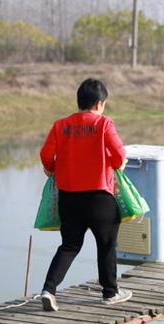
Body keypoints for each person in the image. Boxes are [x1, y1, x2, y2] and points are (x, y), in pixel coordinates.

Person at [39, 78, 132, 311]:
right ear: (100, 103)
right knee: (106, 243)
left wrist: (52, 169)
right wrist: (112, 163)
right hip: (99, 197)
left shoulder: (60, 125)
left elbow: (45, 155)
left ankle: (48, 290)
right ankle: (110, 292)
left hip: (69, 197)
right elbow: (120, 157)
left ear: (79, 101)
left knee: (69, 245)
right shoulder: (104, 124)